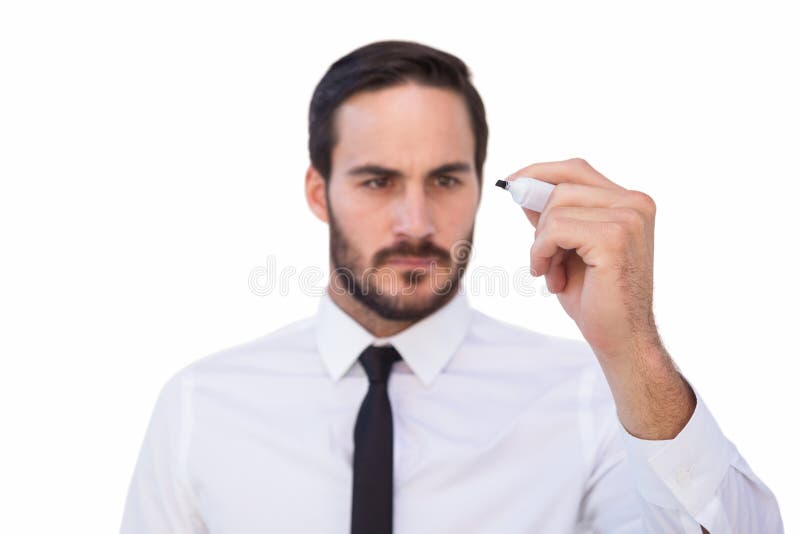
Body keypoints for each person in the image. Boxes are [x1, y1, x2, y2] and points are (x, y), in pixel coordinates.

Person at [120, 40, 783, 533]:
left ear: (477, 185)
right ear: (319, 194)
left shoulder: (589, 401)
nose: (417, 223)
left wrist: (632, 349)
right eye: (377, 181)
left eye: (445, 180)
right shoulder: (200, 407)